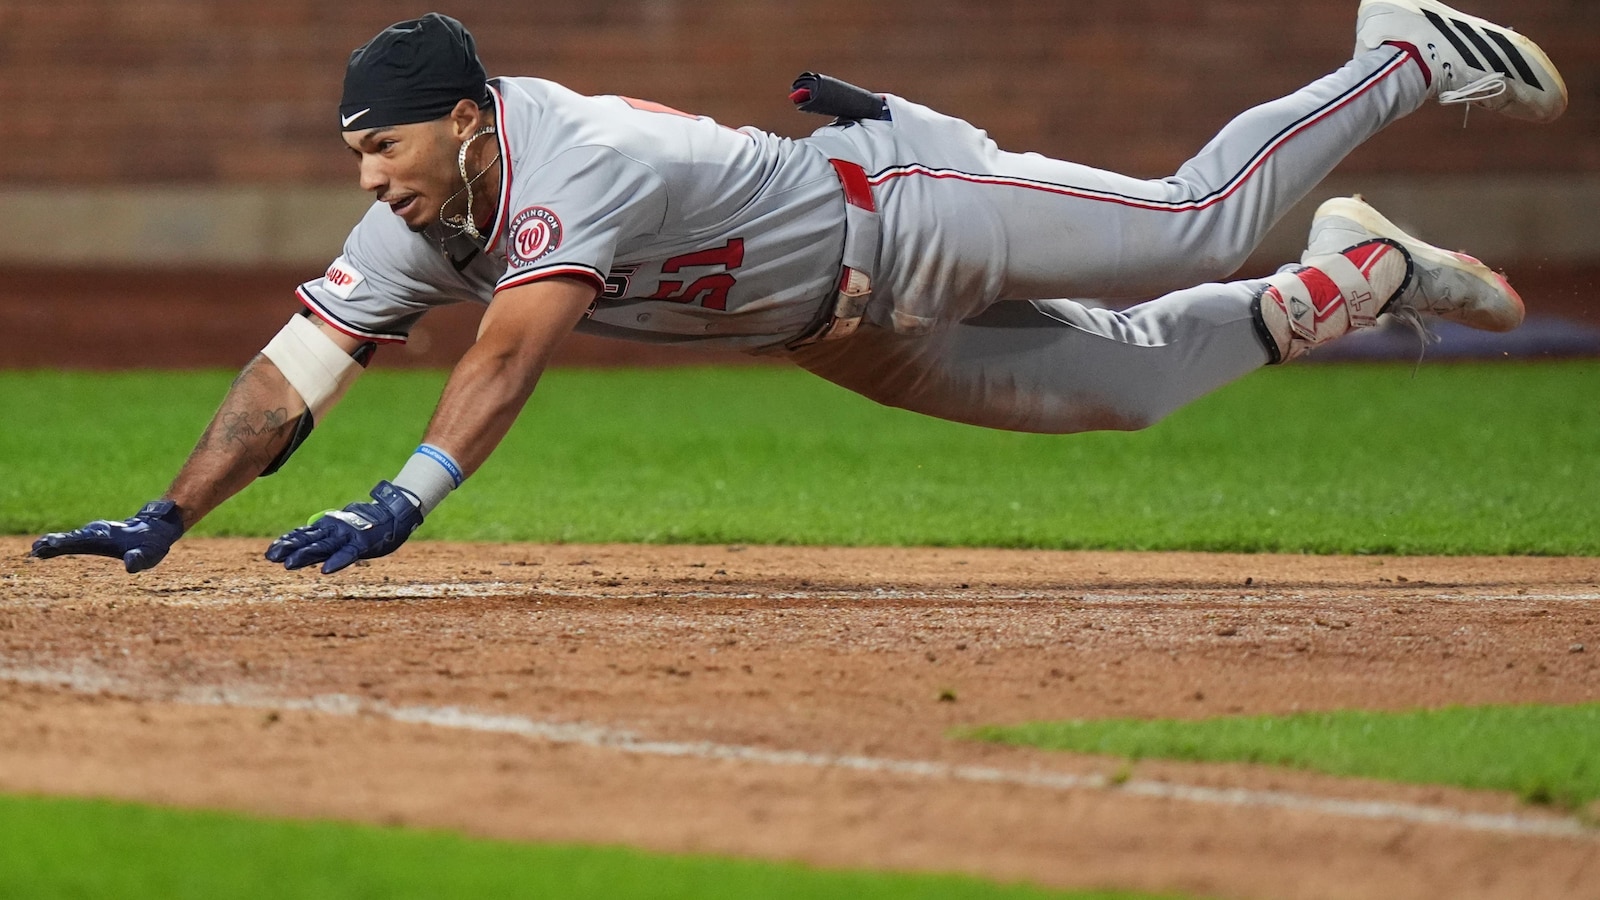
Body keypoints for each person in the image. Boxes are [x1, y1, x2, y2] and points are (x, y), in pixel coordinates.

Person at [30, 1, 1566, 575]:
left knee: (1194, 219)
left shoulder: (577, 159)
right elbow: (291, 373)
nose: (368, 178)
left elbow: (509, 355)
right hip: (827, 331)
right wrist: (173, 511)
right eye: (356, 155)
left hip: (903, 209)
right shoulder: (420, 221)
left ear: (470, 119)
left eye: (386, 147)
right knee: (1123, 390)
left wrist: (407, 496)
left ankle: (1398, 52)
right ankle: (1359, 278)